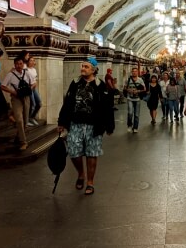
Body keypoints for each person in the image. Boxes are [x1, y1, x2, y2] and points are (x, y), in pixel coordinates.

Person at [57, 57, 114, 195]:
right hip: (75, 123)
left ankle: (90, 182)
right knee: (74, 152)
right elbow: (68, 103)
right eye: (82, 66)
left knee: (92, 154)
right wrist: (62, 122)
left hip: (94, 126)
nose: (82, 69)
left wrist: (109, 125)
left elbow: (107, 107)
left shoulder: (101, 86)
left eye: (86, 67)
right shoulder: (75, 83)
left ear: (93, 70)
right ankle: (81, 173)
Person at [1, 56, 35, 150]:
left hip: (26, 98)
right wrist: (13, 92)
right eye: (17, 64)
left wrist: (29, 89)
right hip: (16, 99)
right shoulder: (10, 75)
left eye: (20, 64)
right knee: (19, 119)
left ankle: (18, 137)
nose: (19, 66)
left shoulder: (27, 73)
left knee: (25, 120)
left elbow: (34, 83)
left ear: (23, 64)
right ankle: (23, 142)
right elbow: (3, 86)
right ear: (14, 65)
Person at [123, 66, 146, 133]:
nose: (134, 73)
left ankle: (135, 127)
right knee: (130, 113)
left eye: (135, 71)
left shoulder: (140, 80)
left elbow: (144, 89)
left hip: (137, 99)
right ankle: (129, 125)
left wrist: (138, 91)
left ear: (137, 72)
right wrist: (128, 90)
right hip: (130, 98)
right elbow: (125, 88)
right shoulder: (128, 80)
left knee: (136, 114)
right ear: (131, 72)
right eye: (133, 71)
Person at [26, 56, 41, 127]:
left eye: (33, 60)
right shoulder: (26, 70)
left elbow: (36, 78)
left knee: (39, 103)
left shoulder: (34, 70)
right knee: (33, 104)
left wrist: (36, 83)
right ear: (28, 62)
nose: (32, 62)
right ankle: (27, 119)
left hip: (34, 88)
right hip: (29, 88)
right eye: (31, 60)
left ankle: (32, 117)